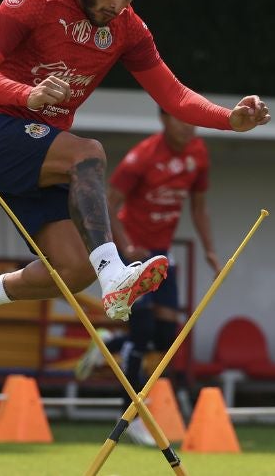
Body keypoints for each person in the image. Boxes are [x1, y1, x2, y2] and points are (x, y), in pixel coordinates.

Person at [0, 0, 270, 366]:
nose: (117, 5)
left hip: (40, 154)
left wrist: (229, 119)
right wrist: (28, 95)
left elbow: (172, 95)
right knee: (88, 152)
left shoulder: (128, 30)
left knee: (73, 271)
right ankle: (114, 274)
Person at [74, 108, 221, 445]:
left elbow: (199, 207)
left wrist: (210, 248)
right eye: (180, 119)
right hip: (131, 255)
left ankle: (110, 344)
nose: (188, 127)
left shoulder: (198, 154)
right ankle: (132, 415)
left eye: (193, 121)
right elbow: (107, 202)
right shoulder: (143, 156)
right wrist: (126, 244)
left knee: (166, 338)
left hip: (161, 255)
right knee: (141, 331)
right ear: (164, 120)